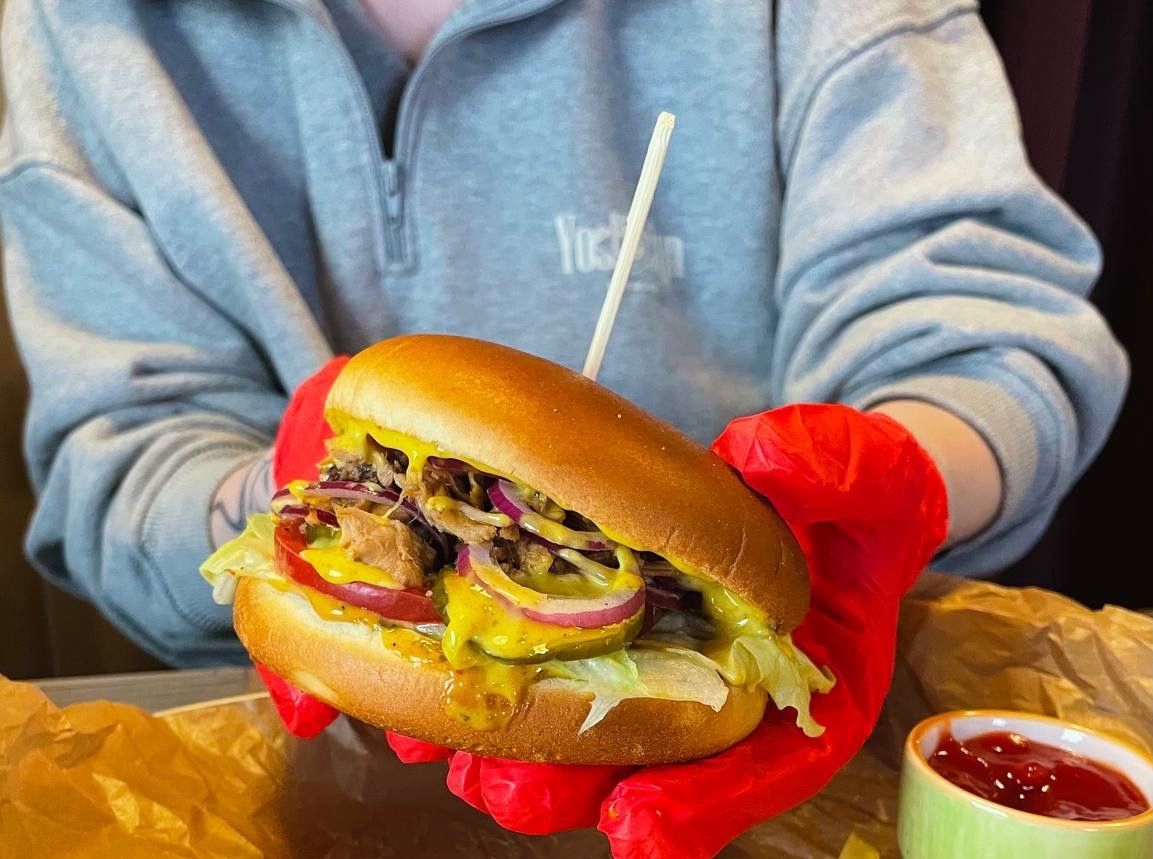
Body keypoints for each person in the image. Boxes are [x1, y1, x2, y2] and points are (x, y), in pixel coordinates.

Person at [0, 0, 1127, 667]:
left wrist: (874, 497)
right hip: (274, 767)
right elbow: (123, 466)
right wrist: (296, 505)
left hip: (796, 709)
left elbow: (984, 346)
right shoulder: (80, 27)